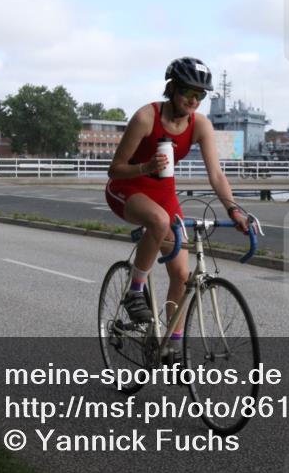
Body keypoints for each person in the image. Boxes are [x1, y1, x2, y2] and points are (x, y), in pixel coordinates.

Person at [105, 57, 250, 360]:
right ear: (172, 88)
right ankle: (135, 290)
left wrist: (234, 210)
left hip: (164, 194)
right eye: (188, 92)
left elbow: (216, 175)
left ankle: (170, 344)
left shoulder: (200, 125)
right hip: (127, 188)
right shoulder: (146, 117)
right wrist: (145, 166)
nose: (193, 100)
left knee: (182, 276)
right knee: (158, 221)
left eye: (201, 95)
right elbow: (115, 169)